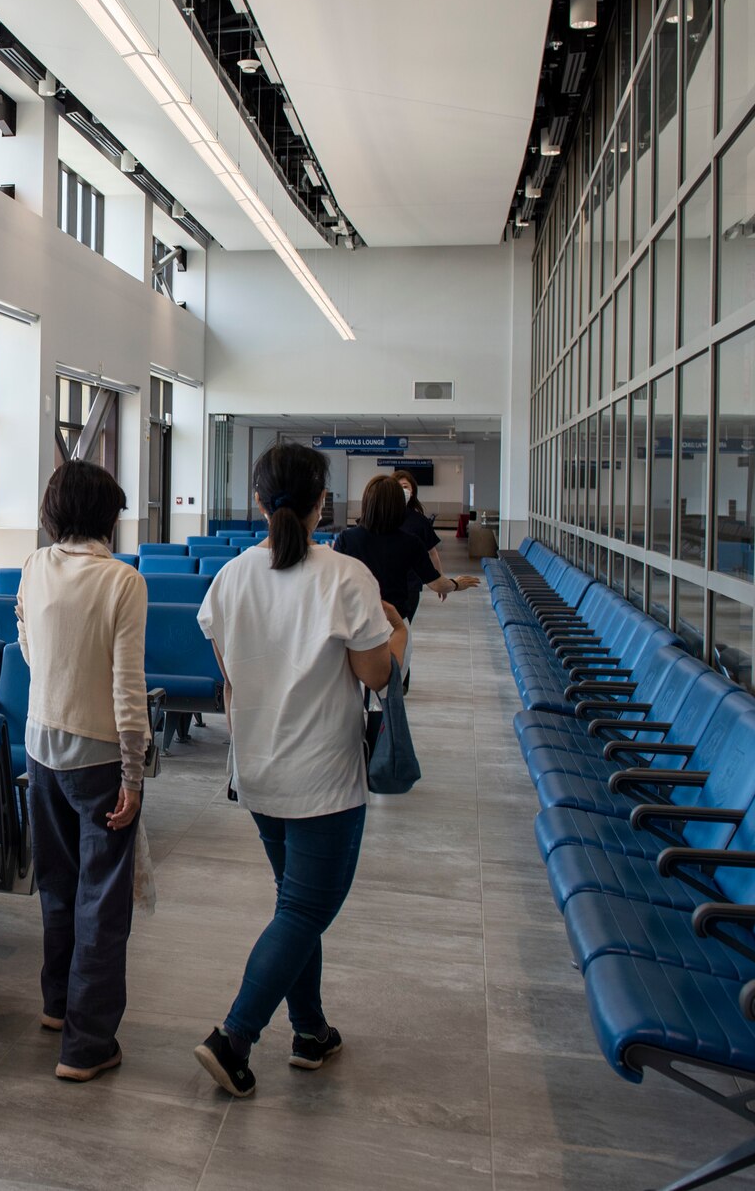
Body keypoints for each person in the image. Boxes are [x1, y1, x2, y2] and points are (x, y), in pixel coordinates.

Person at [191, 442, 407, 1098]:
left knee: (296, 907)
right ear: (323, 504)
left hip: (258, 767)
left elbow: (229, 675)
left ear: (258, 502)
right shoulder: (345, 576)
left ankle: (310, 1030)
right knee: (305, 909)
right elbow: (375, 674)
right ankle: (234, 1038)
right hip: (323, 776)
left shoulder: (230, 578)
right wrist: (396, 634)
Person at [15, 460, 149, 1082]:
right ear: (106, 518)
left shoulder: (35, 567)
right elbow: (128, 687)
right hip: (98, 757)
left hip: (41, 747)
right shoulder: (122, 581)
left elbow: (28, 650)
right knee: (103, 901)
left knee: (59, 885)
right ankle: (87, 1043)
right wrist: (133, 771)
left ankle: (55, 1004)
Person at [333, 475, 480, 623]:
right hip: (395, 620)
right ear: (398, 505)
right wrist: (456, 584)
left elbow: (334, 582)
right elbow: (436, 583)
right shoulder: (409, 542)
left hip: (357, 619)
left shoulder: (346, 539)